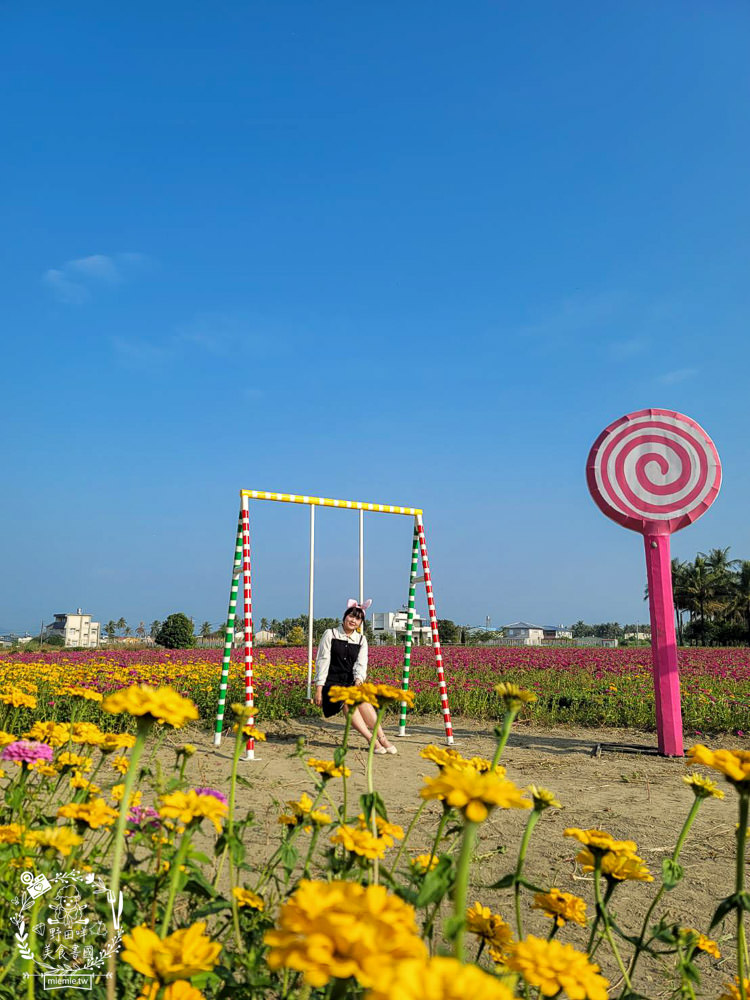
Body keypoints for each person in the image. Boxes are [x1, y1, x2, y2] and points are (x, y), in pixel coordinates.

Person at [314, 599, 397, 754]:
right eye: (351, 616)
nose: (353, 620)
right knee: (348, 701)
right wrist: (318, 689)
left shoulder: (361, 639)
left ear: (360, 623)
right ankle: (371, 740)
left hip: (350, 682)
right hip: (331, 684)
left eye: (357, 618)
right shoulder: (330, 634)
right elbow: (322, 662)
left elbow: (361, 664)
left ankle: (382, 738)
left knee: (362, 700)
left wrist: (358, 681)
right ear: (345, 616)